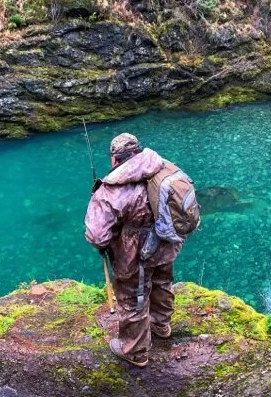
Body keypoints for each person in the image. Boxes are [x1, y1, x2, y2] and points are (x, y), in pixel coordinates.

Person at [82, 133, 199, 366]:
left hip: (134, 253)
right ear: (137, 151)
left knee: (134, 296)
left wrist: (106, 244)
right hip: (166, 244)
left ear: (115, 159)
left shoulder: (111, 190)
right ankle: (160, 325)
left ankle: (135, 351)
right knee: (162, 283)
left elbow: (96, 235)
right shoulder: (163, 167)